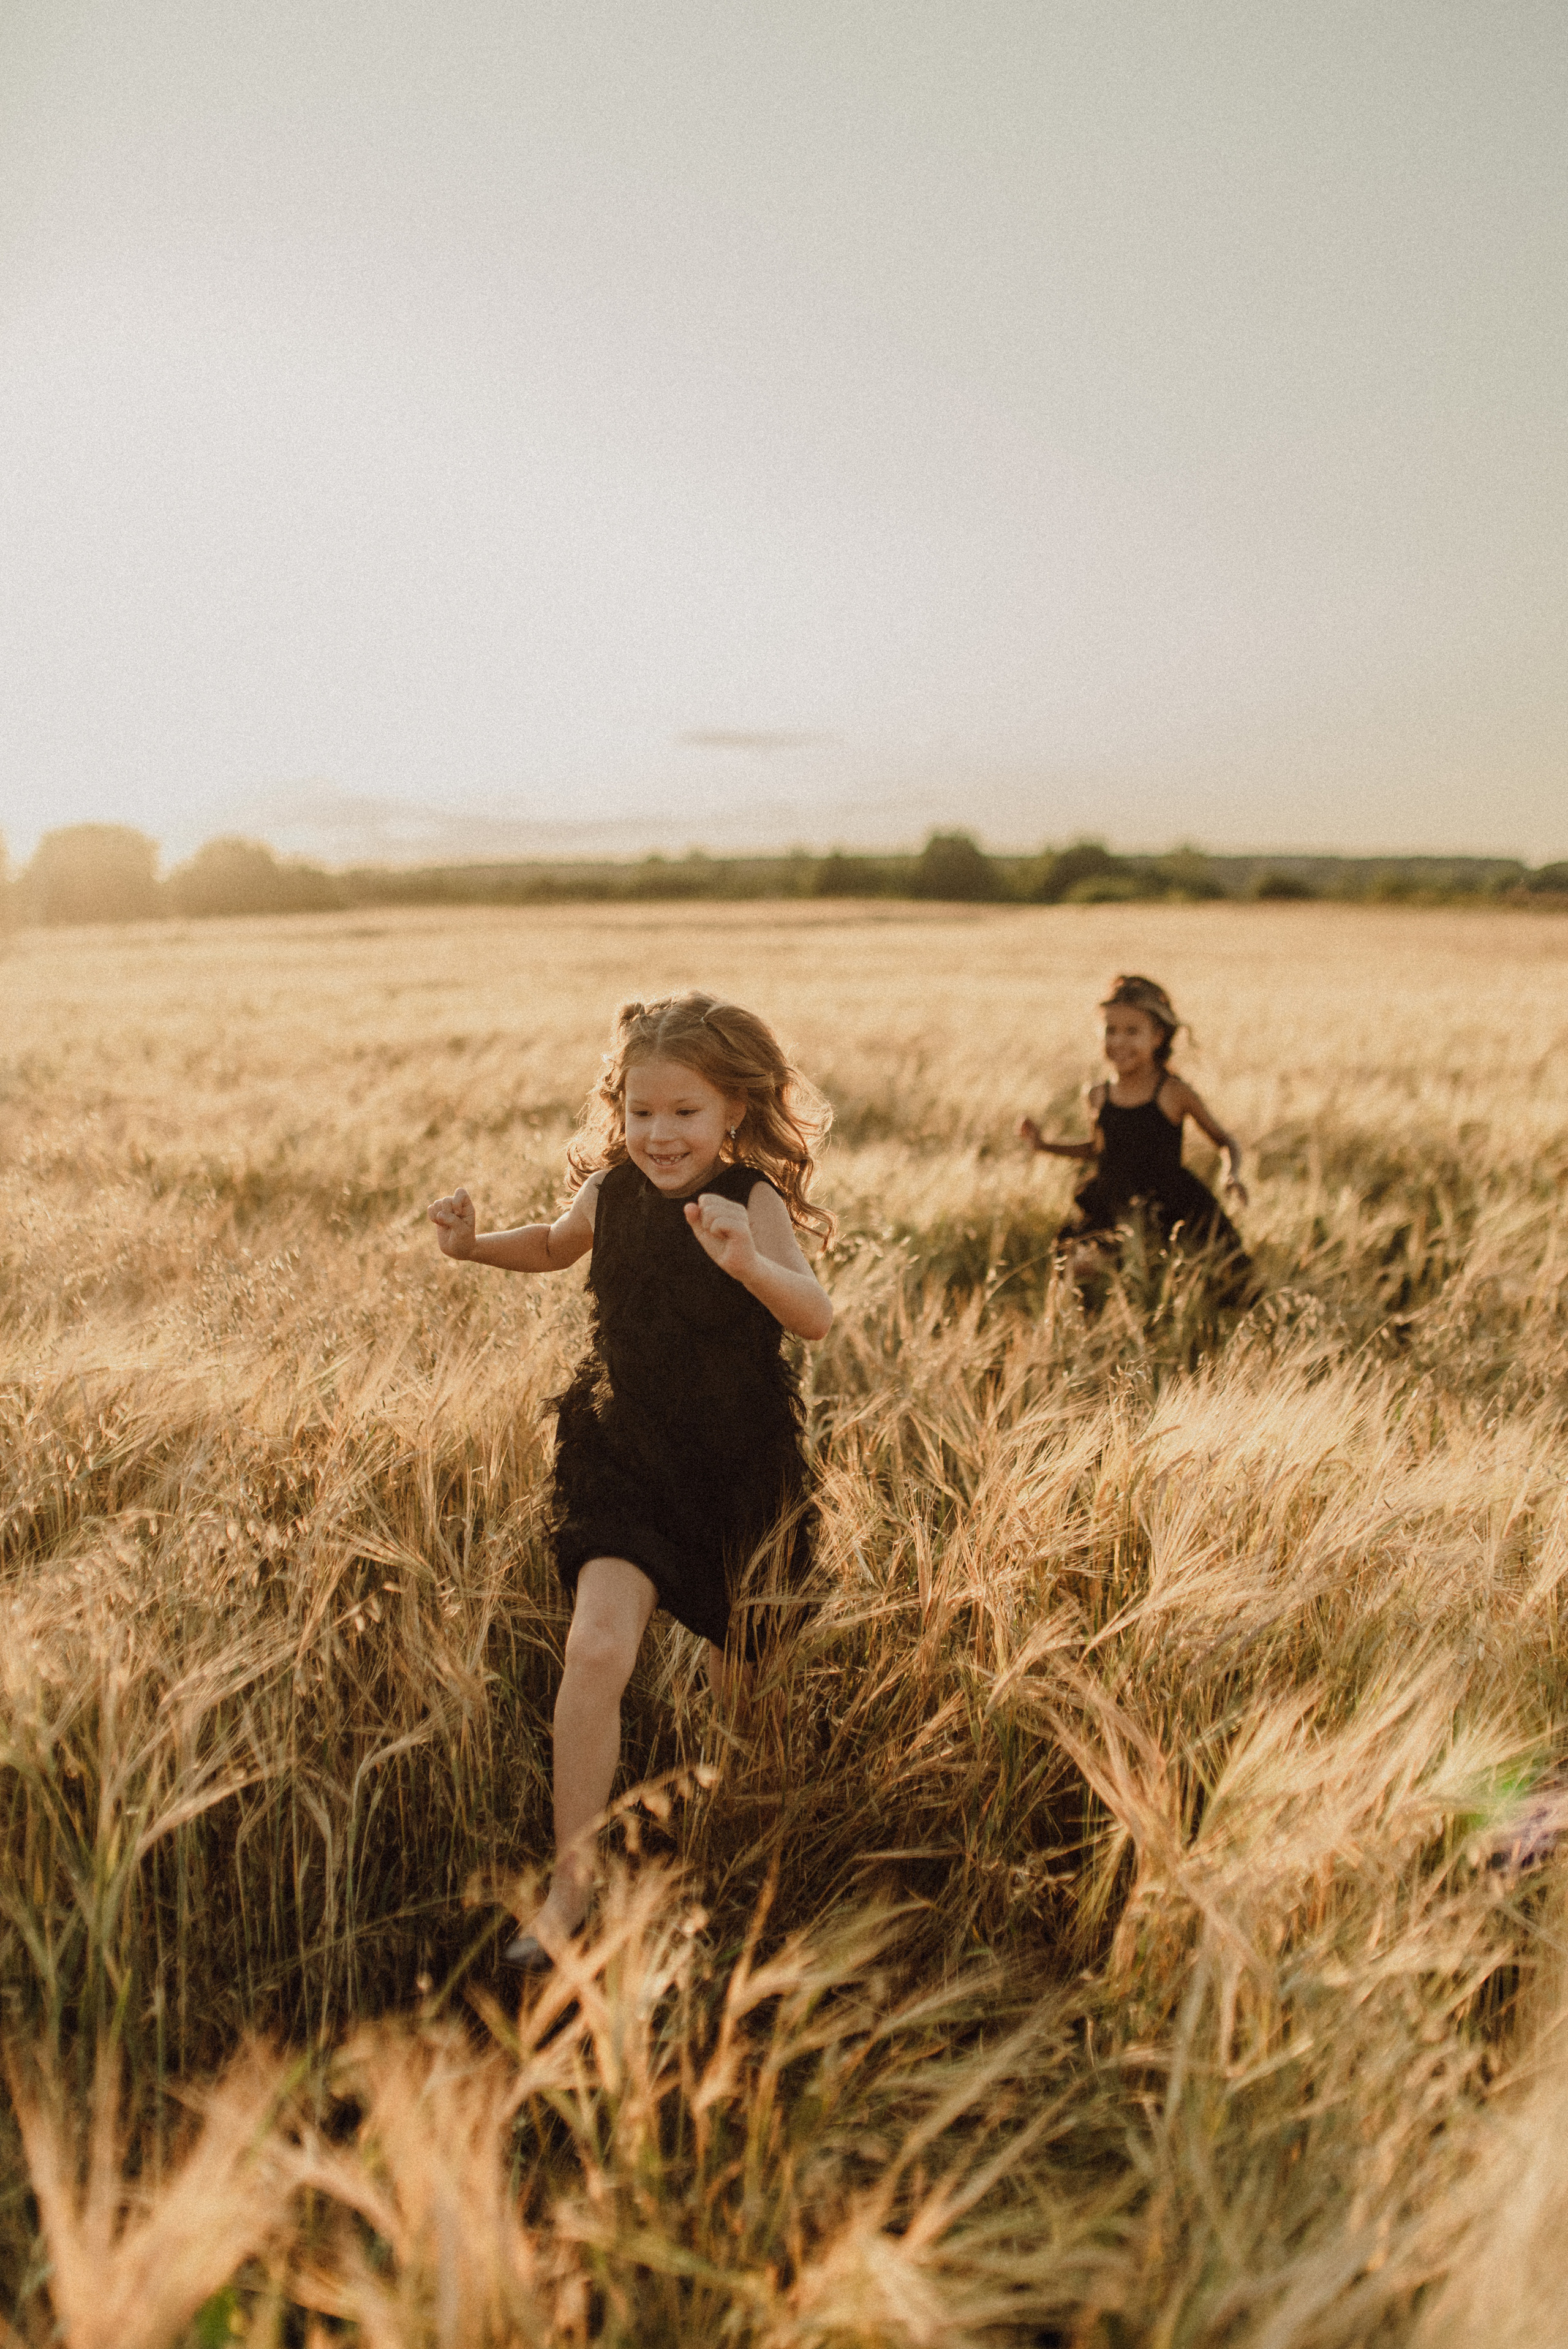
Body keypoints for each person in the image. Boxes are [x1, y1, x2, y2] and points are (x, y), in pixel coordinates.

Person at [427, 991, 834, 1972]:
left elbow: (814, 1314)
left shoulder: (751, 1200)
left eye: (685, 1113)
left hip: (738, 1468)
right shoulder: (609, 1191)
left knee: (749, 1693)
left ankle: (735, 1860)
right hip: (626, 1453)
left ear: (735, 1109)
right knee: (598, 1644)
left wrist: (748, 1266)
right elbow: (555, 1245)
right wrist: (472, 1245)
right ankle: (572, 1888)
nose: (659, 1134)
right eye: (641, 1111)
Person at [1018, 974, 1250, 1279]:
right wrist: (1043, 1145)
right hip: (1112, 1205)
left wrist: (1232, 1174)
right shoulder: (1098, 1094)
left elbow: (1224, 1140)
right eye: (1110, 1031)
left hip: (1170, 1205)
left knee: (1210, 1280)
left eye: (1132, 1032)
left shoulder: (1173, 1092)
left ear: (1158, 1037)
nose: (1119, 1042)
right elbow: (1100, 1150)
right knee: (1076, 1273)